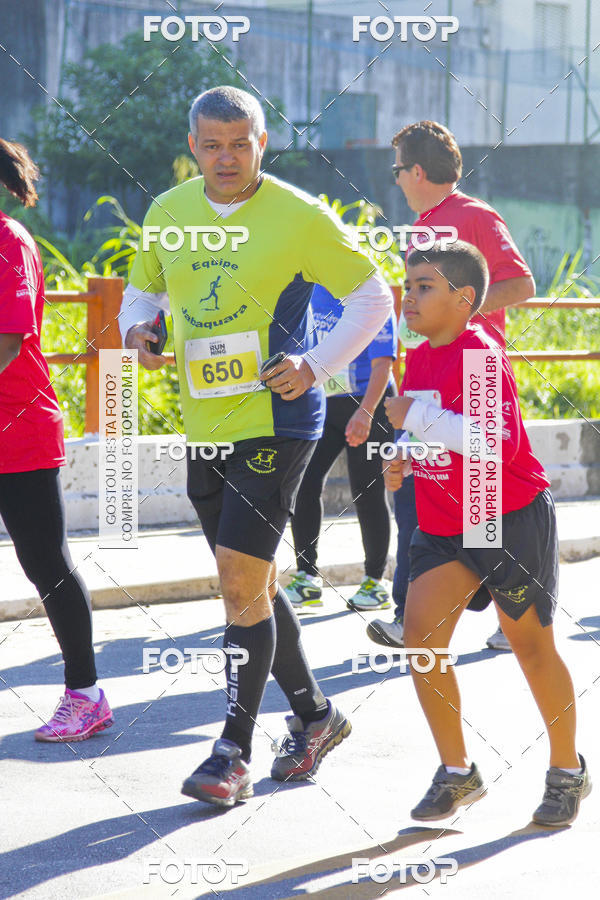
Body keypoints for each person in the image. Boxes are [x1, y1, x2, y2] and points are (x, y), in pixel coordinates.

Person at [120, 86, 393, 808]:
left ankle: (231, 753)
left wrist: (316, 365)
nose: (226, 158)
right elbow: (141, 295)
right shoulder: (169, 213)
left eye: (240, 144)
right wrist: (137, 331)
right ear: (193, 147)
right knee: (256, 585)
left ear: (262, 143)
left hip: (280, 419)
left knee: (238, 583)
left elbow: (374, 296)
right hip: (206, 423)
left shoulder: (299, 215)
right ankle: (316, 717)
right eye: (212, 145)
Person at [383, 241, 590, 827]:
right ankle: (457, 773)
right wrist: (404, 454)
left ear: (463, 299)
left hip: (502, 512)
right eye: (408, 285)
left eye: (424, 287)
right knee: (422, 640)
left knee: (530, 647)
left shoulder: (480, 354)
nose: (409, 297)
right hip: (443, 519)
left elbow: (491, 442)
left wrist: (414, 419)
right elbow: (430, 426)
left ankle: (567, 771)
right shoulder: (419, 354)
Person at [368, 120, 536, 653]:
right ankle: (411, 615)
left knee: (482, 502)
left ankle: (514, 616)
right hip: (427, 371)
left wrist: (458, 314)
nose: (396, 180)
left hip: (475, 370)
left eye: (397, 170)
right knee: (419, 493)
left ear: (417, 171)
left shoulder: (475, 216)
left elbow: (522, 283)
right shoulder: (421, 228)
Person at [0, 139, 113, 741]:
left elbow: (8, 341)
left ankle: (85, 694)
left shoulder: (9, 242)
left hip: (18, 429)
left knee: (45, 562)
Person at [286, 283, 396, 612]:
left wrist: (366, 413)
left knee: (367, 489)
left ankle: (375, 582)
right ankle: (307, 578)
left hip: (369, 400)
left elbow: (383, 364)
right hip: (325, 401)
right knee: (304, 482)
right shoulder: (313, 289)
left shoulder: (372, 293)